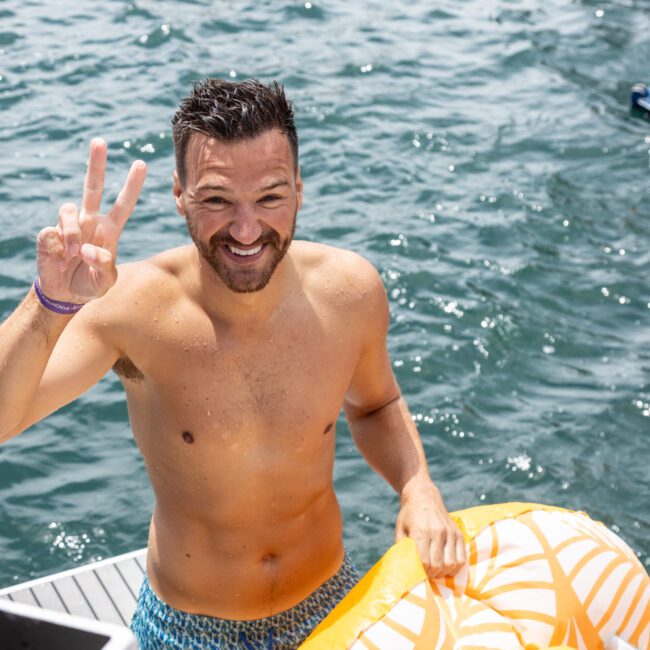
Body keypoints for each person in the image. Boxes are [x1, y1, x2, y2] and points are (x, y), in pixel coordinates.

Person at [0, 79, 466, 649]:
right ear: (179, 194)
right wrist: (50, 305)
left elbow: (377, 404)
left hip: (334, 603)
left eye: (270, 197)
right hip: (190, 629)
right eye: (217, 200)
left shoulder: (350, 291)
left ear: (299, 190)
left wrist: (417, 487)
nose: (246, 230)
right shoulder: (132, 308)